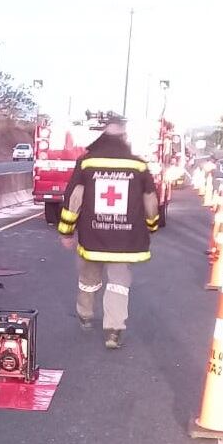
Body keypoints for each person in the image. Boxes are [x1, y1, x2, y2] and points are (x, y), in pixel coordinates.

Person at [57, 113, 160, 349]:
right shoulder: (139, 165)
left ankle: (85, 315)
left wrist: (66, 231)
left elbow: (74, 200)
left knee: (88, 279)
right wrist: (152, 225)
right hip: (127, 240)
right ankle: (113, 330)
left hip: (93, 237)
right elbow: (151, 201)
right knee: (118, 283)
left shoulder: (87, 162)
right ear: (124, 136)